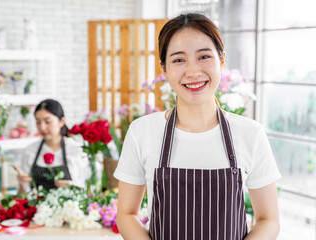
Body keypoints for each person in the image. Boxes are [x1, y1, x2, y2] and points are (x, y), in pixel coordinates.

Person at [114, 13, 281, 240]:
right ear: (163, 69)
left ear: (221, 61)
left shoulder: (250, 133)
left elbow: (268, 220)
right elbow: (126, 214)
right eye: (179, 60)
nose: (192, 72)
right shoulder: (142, 131)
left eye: (203, 56)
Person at [15, 99, 89, 193]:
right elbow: (22, 195)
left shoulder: (77, 150)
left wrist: (72, 187)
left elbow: (86, 190)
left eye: (48, 122)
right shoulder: (30, 151)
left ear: (61, 121)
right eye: (38, 122)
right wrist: (21, 184)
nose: (42, 127)